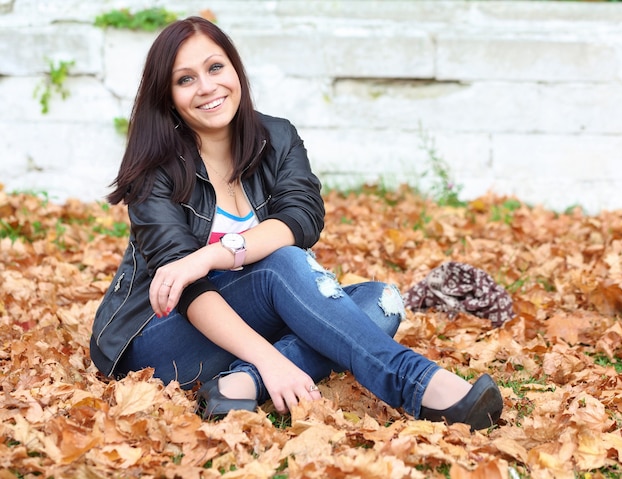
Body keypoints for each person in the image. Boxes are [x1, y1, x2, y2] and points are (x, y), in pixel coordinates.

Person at [89, 16, 503, 430]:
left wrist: (212, 256)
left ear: (235, 69)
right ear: (169, 96)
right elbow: (189, 290)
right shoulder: (154, 169)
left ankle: (238, 385)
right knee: (283, 264)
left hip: (249, 319)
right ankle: (418, 384)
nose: (208, 87)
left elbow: (302, 218)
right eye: (185, 79)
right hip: (156, 337)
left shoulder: (276, 137)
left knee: (381, 301)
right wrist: (269, 356)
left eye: (215, 67)